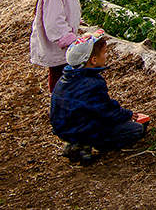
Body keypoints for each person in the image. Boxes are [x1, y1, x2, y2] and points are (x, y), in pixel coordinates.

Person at [50, 31, 150, 164]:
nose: (106, 56)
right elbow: (106, 110)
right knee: (136, 130)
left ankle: (77, 142)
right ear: (93, 60)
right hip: (83, 128)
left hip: (63, 129)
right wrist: (127, 115)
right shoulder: (93, 84)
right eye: (104, 53)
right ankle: (89, 143)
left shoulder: (65, 78)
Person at [30, 0, 94, 93]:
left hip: (63, 45)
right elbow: (53, 22)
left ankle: (63, 109)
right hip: (60, 47)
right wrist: (70, 41)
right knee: (60, 81)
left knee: (64, 81)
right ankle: (60, 111)